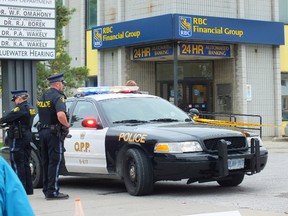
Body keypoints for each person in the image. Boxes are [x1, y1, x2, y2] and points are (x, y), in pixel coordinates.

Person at [37, 72, 70, 200]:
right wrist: (66, 125)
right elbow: (60, 115)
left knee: (46, 161)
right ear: (57, 83)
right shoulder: (58, 97)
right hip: (53, 133)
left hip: (43, 132)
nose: (62, 85)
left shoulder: (43, 96)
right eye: (62, 83)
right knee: (55, 161)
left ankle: (46, 189)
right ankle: (53, 191)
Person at [0, 90, 36, 195]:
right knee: (25, 163)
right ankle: (28, 189)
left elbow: (7, 117)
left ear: (19, 98)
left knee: (16, 162)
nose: (15, 102)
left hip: (18, 137)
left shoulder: (20, 108)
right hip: (27, 136)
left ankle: (19, 189)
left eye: (15, 99)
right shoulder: (31, 108)